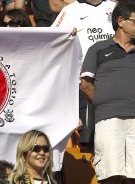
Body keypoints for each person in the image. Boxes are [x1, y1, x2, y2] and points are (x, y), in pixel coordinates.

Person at [80, 1, 135, 183]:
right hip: (108, 118)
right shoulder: (98, 49)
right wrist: (107, 103)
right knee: (111, 175)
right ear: (120, 21)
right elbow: (85, 84)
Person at [51, 0, 116, 153]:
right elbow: (52, 39)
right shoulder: (69, 10)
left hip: (116, 78)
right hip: (86, 82)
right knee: (90, 137)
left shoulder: (115, 8)